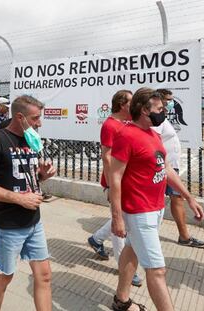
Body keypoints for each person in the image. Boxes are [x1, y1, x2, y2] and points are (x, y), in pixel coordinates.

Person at [109, 88, 204, 311]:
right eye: (160, 109)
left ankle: (121, 301)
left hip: (156, 207)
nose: (164, 112)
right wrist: (117, 218)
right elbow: (114, 177)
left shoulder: (154, 134)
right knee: (157, 270)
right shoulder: (126, 135)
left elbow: (167, 168)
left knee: (131, 249)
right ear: (144, 110)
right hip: (138, 212)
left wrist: (189, 197)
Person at [0, 95, 56, 311]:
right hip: (9, 225)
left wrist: (42, 175)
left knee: (45, 276)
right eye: (36, 118)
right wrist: (19, 198)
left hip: (34, 221)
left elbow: (25, 177)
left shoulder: (31, 139)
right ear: (20, 117)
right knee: (4, 277)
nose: (40, 123)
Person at [86, 90, 142, 287]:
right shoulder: (110, 125)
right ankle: (123, 266)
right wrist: (111, 185)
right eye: (131, 102)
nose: (134, 105)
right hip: (116, 181)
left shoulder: (126, 124)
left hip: (128, 180)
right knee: (121, 222)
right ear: (121, 104)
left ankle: (96, 239)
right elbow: (107, 157)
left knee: (121, 217)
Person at [153, 89, 204, 249]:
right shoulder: (157, 120)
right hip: (163, 167)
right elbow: (154, 143)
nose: (171, 102)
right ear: (160, 100)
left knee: (177, 199)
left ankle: (184, 236)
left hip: (170, 166)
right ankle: (103, 235)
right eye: (168, 100)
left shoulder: (163, 118)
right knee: (164, 201)